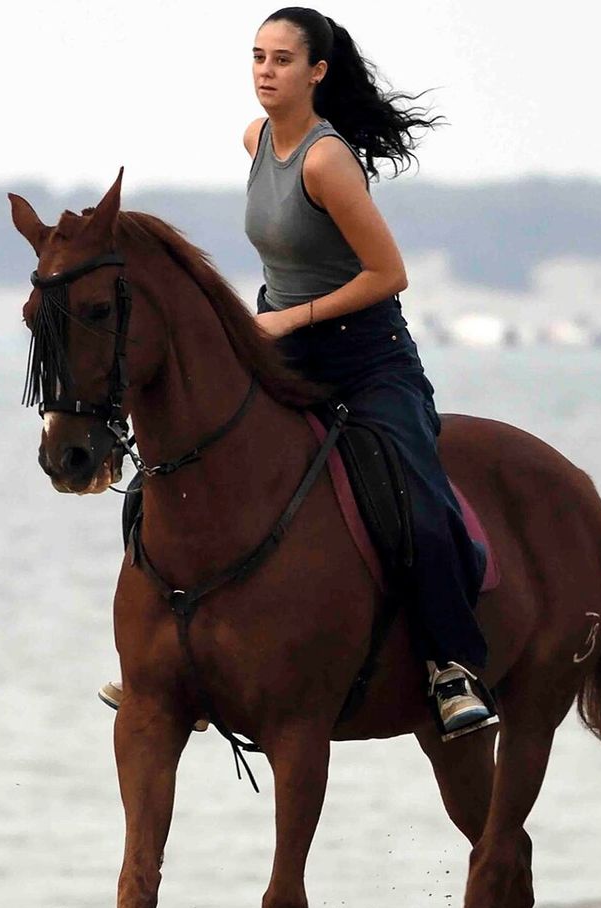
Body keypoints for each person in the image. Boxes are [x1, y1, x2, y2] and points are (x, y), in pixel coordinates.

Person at [102, 6, 496, 741]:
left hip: (366, 355)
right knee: (169, 469)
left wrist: (290, 318)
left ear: (316, 71)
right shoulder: (253, 139)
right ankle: (154, 664)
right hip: (276, 343)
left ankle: (450, 667)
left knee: (413, 504)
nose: (265, 71)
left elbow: (389, 274)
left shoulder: (326, 160)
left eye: (282, 59)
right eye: (257, 57)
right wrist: (272, 325)